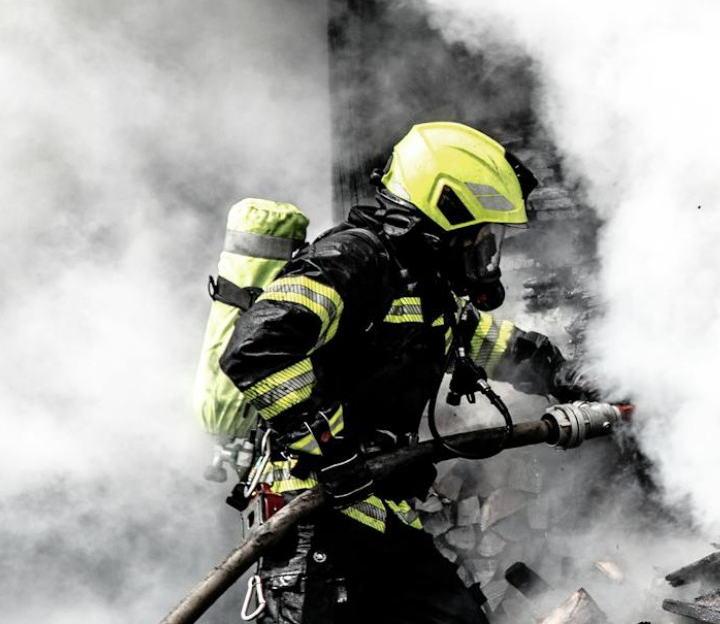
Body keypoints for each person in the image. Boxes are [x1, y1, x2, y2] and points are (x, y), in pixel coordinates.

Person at [220, 122, 595, 624]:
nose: (489, 254)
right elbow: (257, 348)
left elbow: (476, 340)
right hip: (314, 514)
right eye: (483, 237)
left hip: (374, 511)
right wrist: (330, 454)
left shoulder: (421, 284)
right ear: (446, 213)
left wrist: (561, 373)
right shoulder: (352, 261)